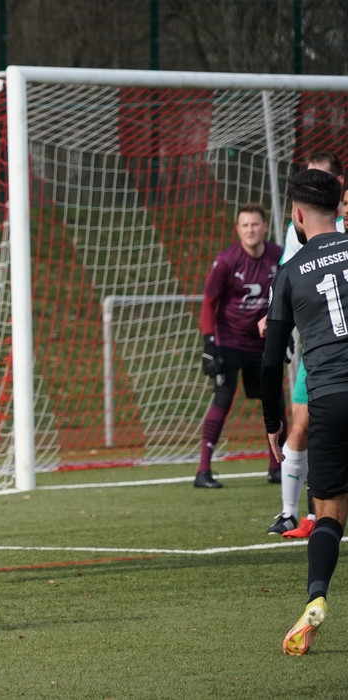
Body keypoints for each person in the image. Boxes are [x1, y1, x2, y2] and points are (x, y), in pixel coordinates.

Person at [261, 168, 347, 655]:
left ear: (296, 215)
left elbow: (271, 359)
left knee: (329, 512)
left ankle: (316, 598)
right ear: (340, 205)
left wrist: (272, 423)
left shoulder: (290, 272)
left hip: (330, 399)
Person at [266, 151, 345, 536]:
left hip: (329, 364)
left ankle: (318, 516)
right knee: (301, 425)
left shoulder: (331, 225)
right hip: (315, 346)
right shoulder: (294, 239)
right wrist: (274, 315)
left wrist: (270, 419)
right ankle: (292, 512)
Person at [195, 202, 285, 488]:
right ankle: (203, 471)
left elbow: (287, 297)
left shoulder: (279, 257)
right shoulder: (226, 261)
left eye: (255, 224)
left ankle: (277, 467)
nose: (250, 229)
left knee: (275, 402)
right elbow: (209, 303)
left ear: (264, 227)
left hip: (263, 344)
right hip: (229, 342)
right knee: (222, 400)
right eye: (245, 225)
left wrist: (283, 334)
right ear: (237, 229)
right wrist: (209, 343)